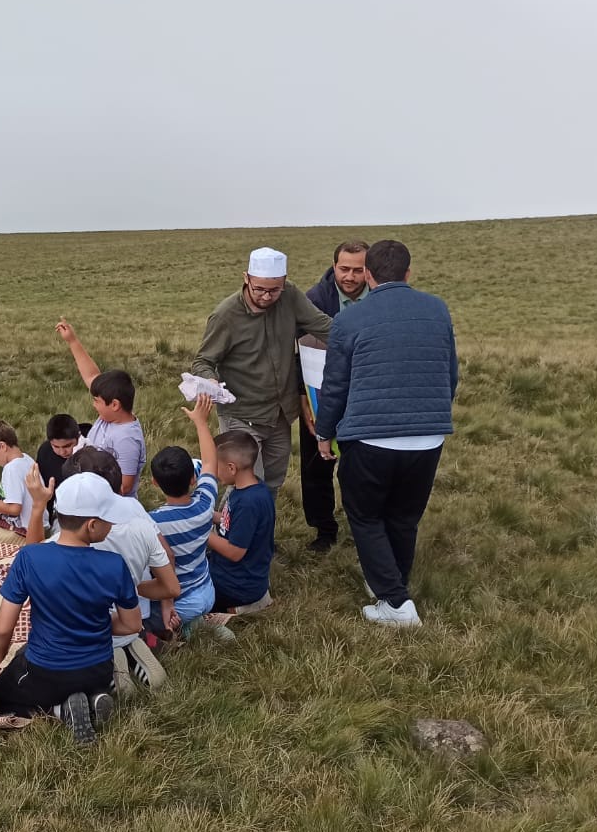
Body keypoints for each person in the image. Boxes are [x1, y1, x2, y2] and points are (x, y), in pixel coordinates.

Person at [314, 240, 457, 627]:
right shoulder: (438, 310)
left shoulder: (349, 320)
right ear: (409, 274)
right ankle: (393, 583)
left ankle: (395, 603)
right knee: (404, 516)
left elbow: (335, 385)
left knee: (366, 515)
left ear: (369, 276)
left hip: (369, 439)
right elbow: (450, 374)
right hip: (428, 439)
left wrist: (323, 432)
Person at [0, 472, 142, 744]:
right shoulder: (114, 565)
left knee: (1, 697)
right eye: (109, 520)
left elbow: (2, 627)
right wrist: (97, 625)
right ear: (92, 525)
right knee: (85, 680)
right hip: (98, 669)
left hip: (45, 670)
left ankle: (60, 711)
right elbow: (132, 624)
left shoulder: (29, 557)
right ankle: (95, 700)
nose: (112, 525)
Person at [33, 448, 178, 692]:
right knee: (129, 629)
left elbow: (34, 559)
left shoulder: (69, 534)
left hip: (88, 629)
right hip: (132, 619)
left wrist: (38, 507)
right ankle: (133, 647)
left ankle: (113, 662)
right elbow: (170, 579)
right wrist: (133, 588)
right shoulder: (137, 514)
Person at [191, 247, 333, 493]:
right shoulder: (225, 316)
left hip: (280, 413)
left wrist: (365, 339)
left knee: (273, 484)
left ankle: (264, 530)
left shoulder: (290, 295)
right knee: (245, 486)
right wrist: (211, 381)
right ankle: (230, 531)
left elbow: (324, 327)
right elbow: (202, 361)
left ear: (284, 282)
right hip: (241, 413)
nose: (267, 297)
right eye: (259, 289)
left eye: (274, 290)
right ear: (246, 278)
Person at [298, 241, 369, 553]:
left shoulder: (380, 299)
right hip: (318, 397)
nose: (350, 277)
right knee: (316, 469)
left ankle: (366, 527)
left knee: (364, 468)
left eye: (358, 270)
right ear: (333, 266)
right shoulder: (313, 300)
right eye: (344, 269)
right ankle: (324, 530)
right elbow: (295, 354)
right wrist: (304, 403)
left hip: (365, 398)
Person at [147, 395, 226, 641]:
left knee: (137, 614)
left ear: (154, 483)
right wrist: (201, 422)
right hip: (207, 591)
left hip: (180, 603)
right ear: (194, 479)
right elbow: (211, 462)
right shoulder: (205, 505)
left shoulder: (152, 523)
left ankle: (189, 629)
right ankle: (202, 623)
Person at [54, 319, 145, 496]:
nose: (93, 404)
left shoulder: (127, 439)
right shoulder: (111, 415)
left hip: (109, 510)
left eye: (96, 401)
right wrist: (72, 341)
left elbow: (124, 486)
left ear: (115, 404)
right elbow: (92, 376)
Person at [206, 431, 277, 615]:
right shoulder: (251, 489)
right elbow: (232, 522)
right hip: (233, 575)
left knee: (184, 588)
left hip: (237, 586)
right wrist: (206, 515)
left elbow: (234, 552)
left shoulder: (249, 503)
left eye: (216, 465)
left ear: (231, 468)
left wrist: (198, 532)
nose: (214, 471)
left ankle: (245, 605)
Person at [35, 414, 81, 525]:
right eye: (55, 446)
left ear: (78, 437)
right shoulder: (45, 452)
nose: (62, 452)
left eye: (67, 446)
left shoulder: (88, 456)